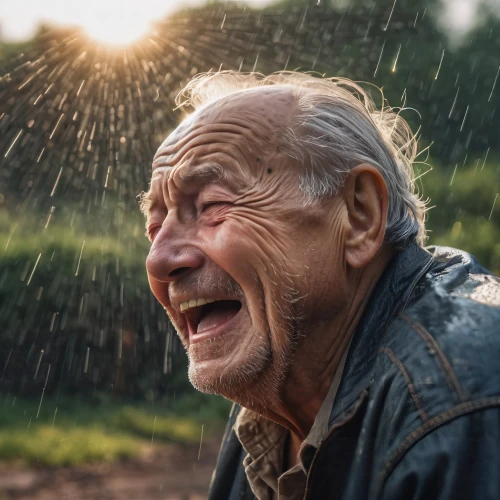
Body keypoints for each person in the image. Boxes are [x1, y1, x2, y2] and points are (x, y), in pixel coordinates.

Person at [141, 71, 500, 500]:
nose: (159, 260)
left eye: (213, 205)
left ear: (358, 216)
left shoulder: (463, 399)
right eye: (155, 225)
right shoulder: (272, 400)